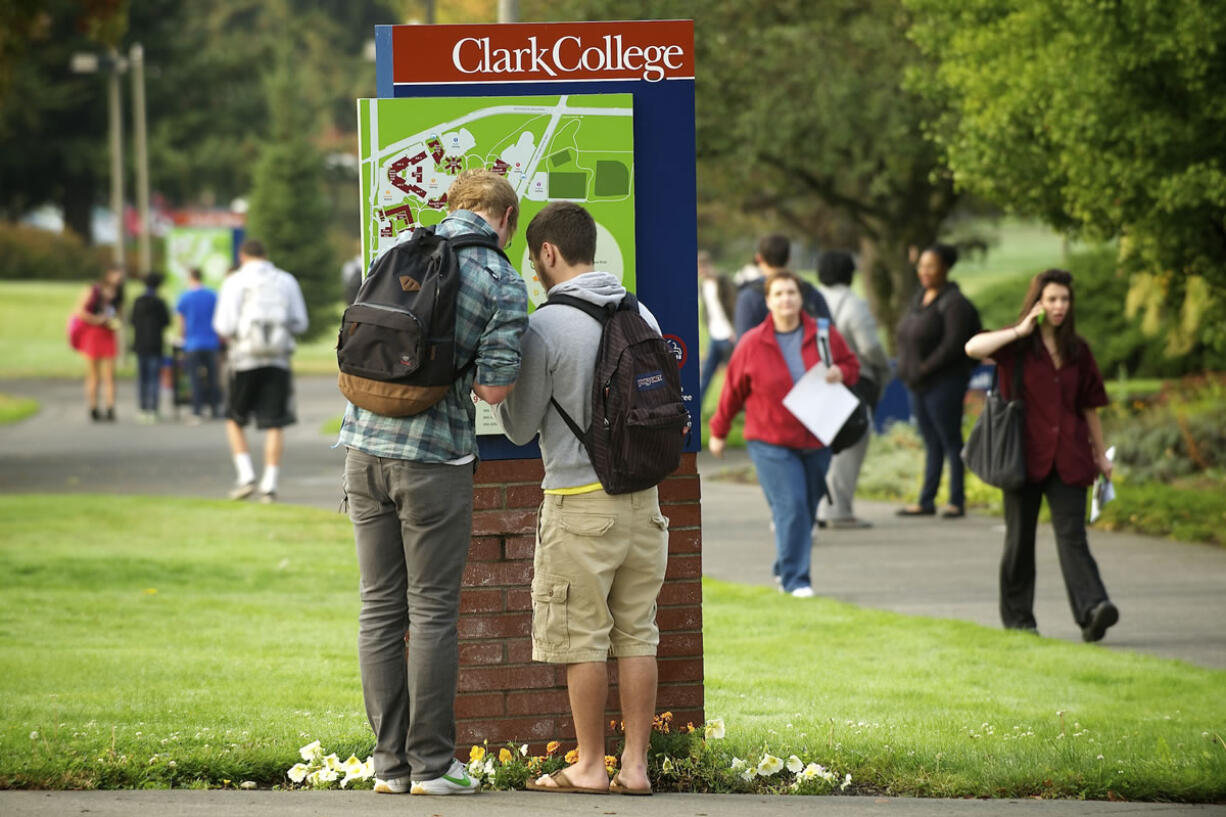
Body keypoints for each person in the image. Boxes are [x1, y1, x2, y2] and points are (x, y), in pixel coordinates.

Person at [337, 169, 528, 796]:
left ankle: (388, 767)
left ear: (453, 208)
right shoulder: (502, 279)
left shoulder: (394, 252)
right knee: (434, 611)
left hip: (362, 451)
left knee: (379, 607)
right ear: (504, 219)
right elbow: (492, 390)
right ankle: (432, 765)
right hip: (432, 460)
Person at [495, 202, 667, 796]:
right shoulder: (637, 310)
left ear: (547, 253)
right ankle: (636, 767)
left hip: (578, 500)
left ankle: (591, 765)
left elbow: (519, 427)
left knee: (583, 638)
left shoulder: (545, 327)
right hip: (644, 501)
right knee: (637, 633)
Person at [965, 269, 1118, 642]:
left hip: (1069, 457)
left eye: (1064, 299)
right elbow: (972, 348)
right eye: (1051, 299)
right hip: (1023, 455)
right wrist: (1020, 330)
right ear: (1038, 302)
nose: (1059, 307)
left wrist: (1101, 455)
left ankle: (1093, 610)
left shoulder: (1078, 351)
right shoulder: (1016, 345)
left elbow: (1090, 407)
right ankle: (1019, 619)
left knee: (1073, 535)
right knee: (1020, 538)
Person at [710, 271, 859, 597]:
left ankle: (784, 566)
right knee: (791, 506)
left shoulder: (824, 334)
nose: (785, 299)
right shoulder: (752, 343)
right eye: (778, 294)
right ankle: (796, 581)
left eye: (791, 292)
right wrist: (718, 431)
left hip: (816, 437)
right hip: (769, 440)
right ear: (768, 302)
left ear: (800, 297)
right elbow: (732, 390)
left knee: (804, 508)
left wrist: (840, 371)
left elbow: (852, 365)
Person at [212, 239, 308, 502]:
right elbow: (300, 322)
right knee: (275, 422)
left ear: (243, 257)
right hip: (278, 360)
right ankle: (270, 483)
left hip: (243, 359)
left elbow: (224, 325)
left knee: (234, 418)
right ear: (266, 255)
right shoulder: (286, 280)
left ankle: (246, 476)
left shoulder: (235, 281)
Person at [894, 243, 979, 519]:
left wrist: (924, 367)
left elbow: (953, 344)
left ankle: (956, 499)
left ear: (945, 268)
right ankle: (926, 499)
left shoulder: (955, 304)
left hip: (945, 382)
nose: (924, 271)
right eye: (921, 266)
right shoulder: (919, 299)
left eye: (931, 266)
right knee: (931, 441)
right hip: (917, 383)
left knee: (950, 440)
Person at [815, 251, 891, 529]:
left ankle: (821, 507)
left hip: (816, 381)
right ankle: (838, 510)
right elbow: (870, 346)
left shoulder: (812, 300)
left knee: (821, 446)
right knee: (854, 439)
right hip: (852, 380)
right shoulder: (853, 304)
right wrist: (885, 369)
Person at [732, 234, 830, 341]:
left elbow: (743, 342)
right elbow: (829, 330)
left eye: (791, 293)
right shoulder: (809, 291)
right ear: (789, 258)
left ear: (759, 259)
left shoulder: (747, 297)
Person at [74, 264, 126, 422]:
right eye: (117, 275)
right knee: (93, 374)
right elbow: (80, 311)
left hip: (108, 334)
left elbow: (120, 315)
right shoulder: (94, 290)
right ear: (109, 274)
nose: (119, 278)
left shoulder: (119, 295)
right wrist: (97, 320)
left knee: (110, 374)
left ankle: (110, 407)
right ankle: (93, 407)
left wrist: (114, 322)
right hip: (92, 333)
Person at [177, 268, 224, 424]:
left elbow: (181, 321)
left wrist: (182, 337)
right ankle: (215, 408)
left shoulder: (185, 297)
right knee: (212, 377)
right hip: (211, 342)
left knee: (194, 378)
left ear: (190, 278)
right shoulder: (212, 295)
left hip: (192, 343)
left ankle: (197, 410)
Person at [130, 272, 170, 423]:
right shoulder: (160, 302)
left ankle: (142, 408)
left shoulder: (137, 301)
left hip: (140, 344)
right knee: (154, 378)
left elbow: (132, 321)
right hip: (155, 344)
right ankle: (153, 409)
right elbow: (166, 322)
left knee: (142, 378)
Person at [697, 250, 736, 405]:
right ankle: (696, 407)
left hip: (729, 335)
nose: (700, 272)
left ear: (708, 265)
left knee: (734, 376)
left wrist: (735, 330)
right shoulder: (703, 285)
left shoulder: (723, 281)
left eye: (702, 267)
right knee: (706, 373)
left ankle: (739, 408)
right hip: (715, 335)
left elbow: (734, 305)